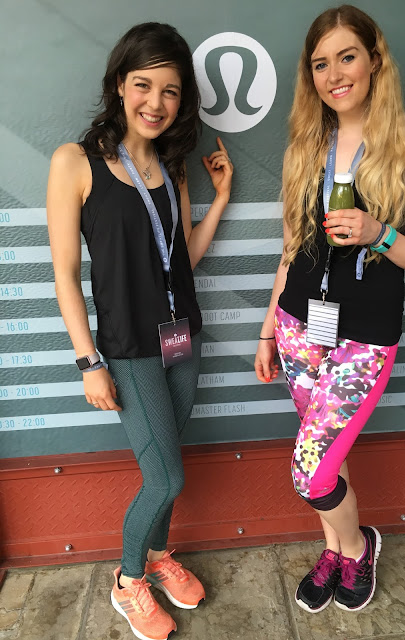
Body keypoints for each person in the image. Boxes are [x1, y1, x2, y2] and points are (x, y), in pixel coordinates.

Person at [255, 4, 405, 614]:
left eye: (347, 57)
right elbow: (292, 247)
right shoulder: (307, 144)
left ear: (375, 60)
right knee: (328, 457)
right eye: (320, 64)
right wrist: (267, 329)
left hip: (365, 337)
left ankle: (360, 544)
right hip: (298, 326)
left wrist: (379, 233)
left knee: (310, 469)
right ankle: (340, 551)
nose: (334, 74)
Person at [47, 22, 232, 640]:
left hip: (182, 338)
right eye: (143, 85)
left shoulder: (171, 166)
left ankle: (157, 557)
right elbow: (65, 274)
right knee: (167, 478)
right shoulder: (75, 162)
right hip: (128, 349)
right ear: (120, 85)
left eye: (170, 90)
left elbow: (181, 259)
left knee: (168, 462)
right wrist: (88, 362)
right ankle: (129, 581)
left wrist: (220, 198)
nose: (156, 102)